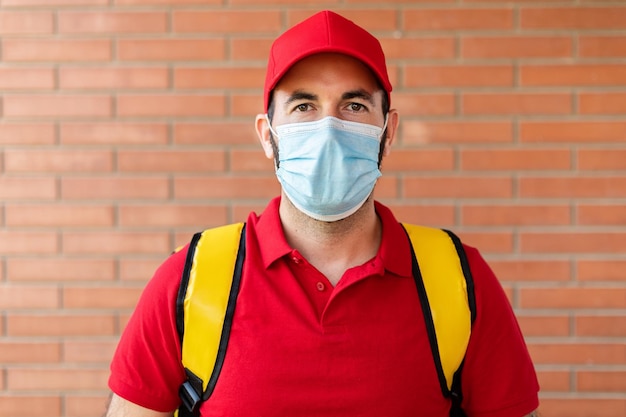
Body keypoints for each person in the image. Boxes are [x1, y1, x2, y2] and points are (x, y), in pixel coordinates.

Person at [104, 10, 539, 417]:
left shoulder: (459, 279)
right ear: (267, 136)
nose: (328, 129)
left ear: (388, 134)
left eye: (353, 106)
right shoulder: (191, 278)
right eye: (304, 106)